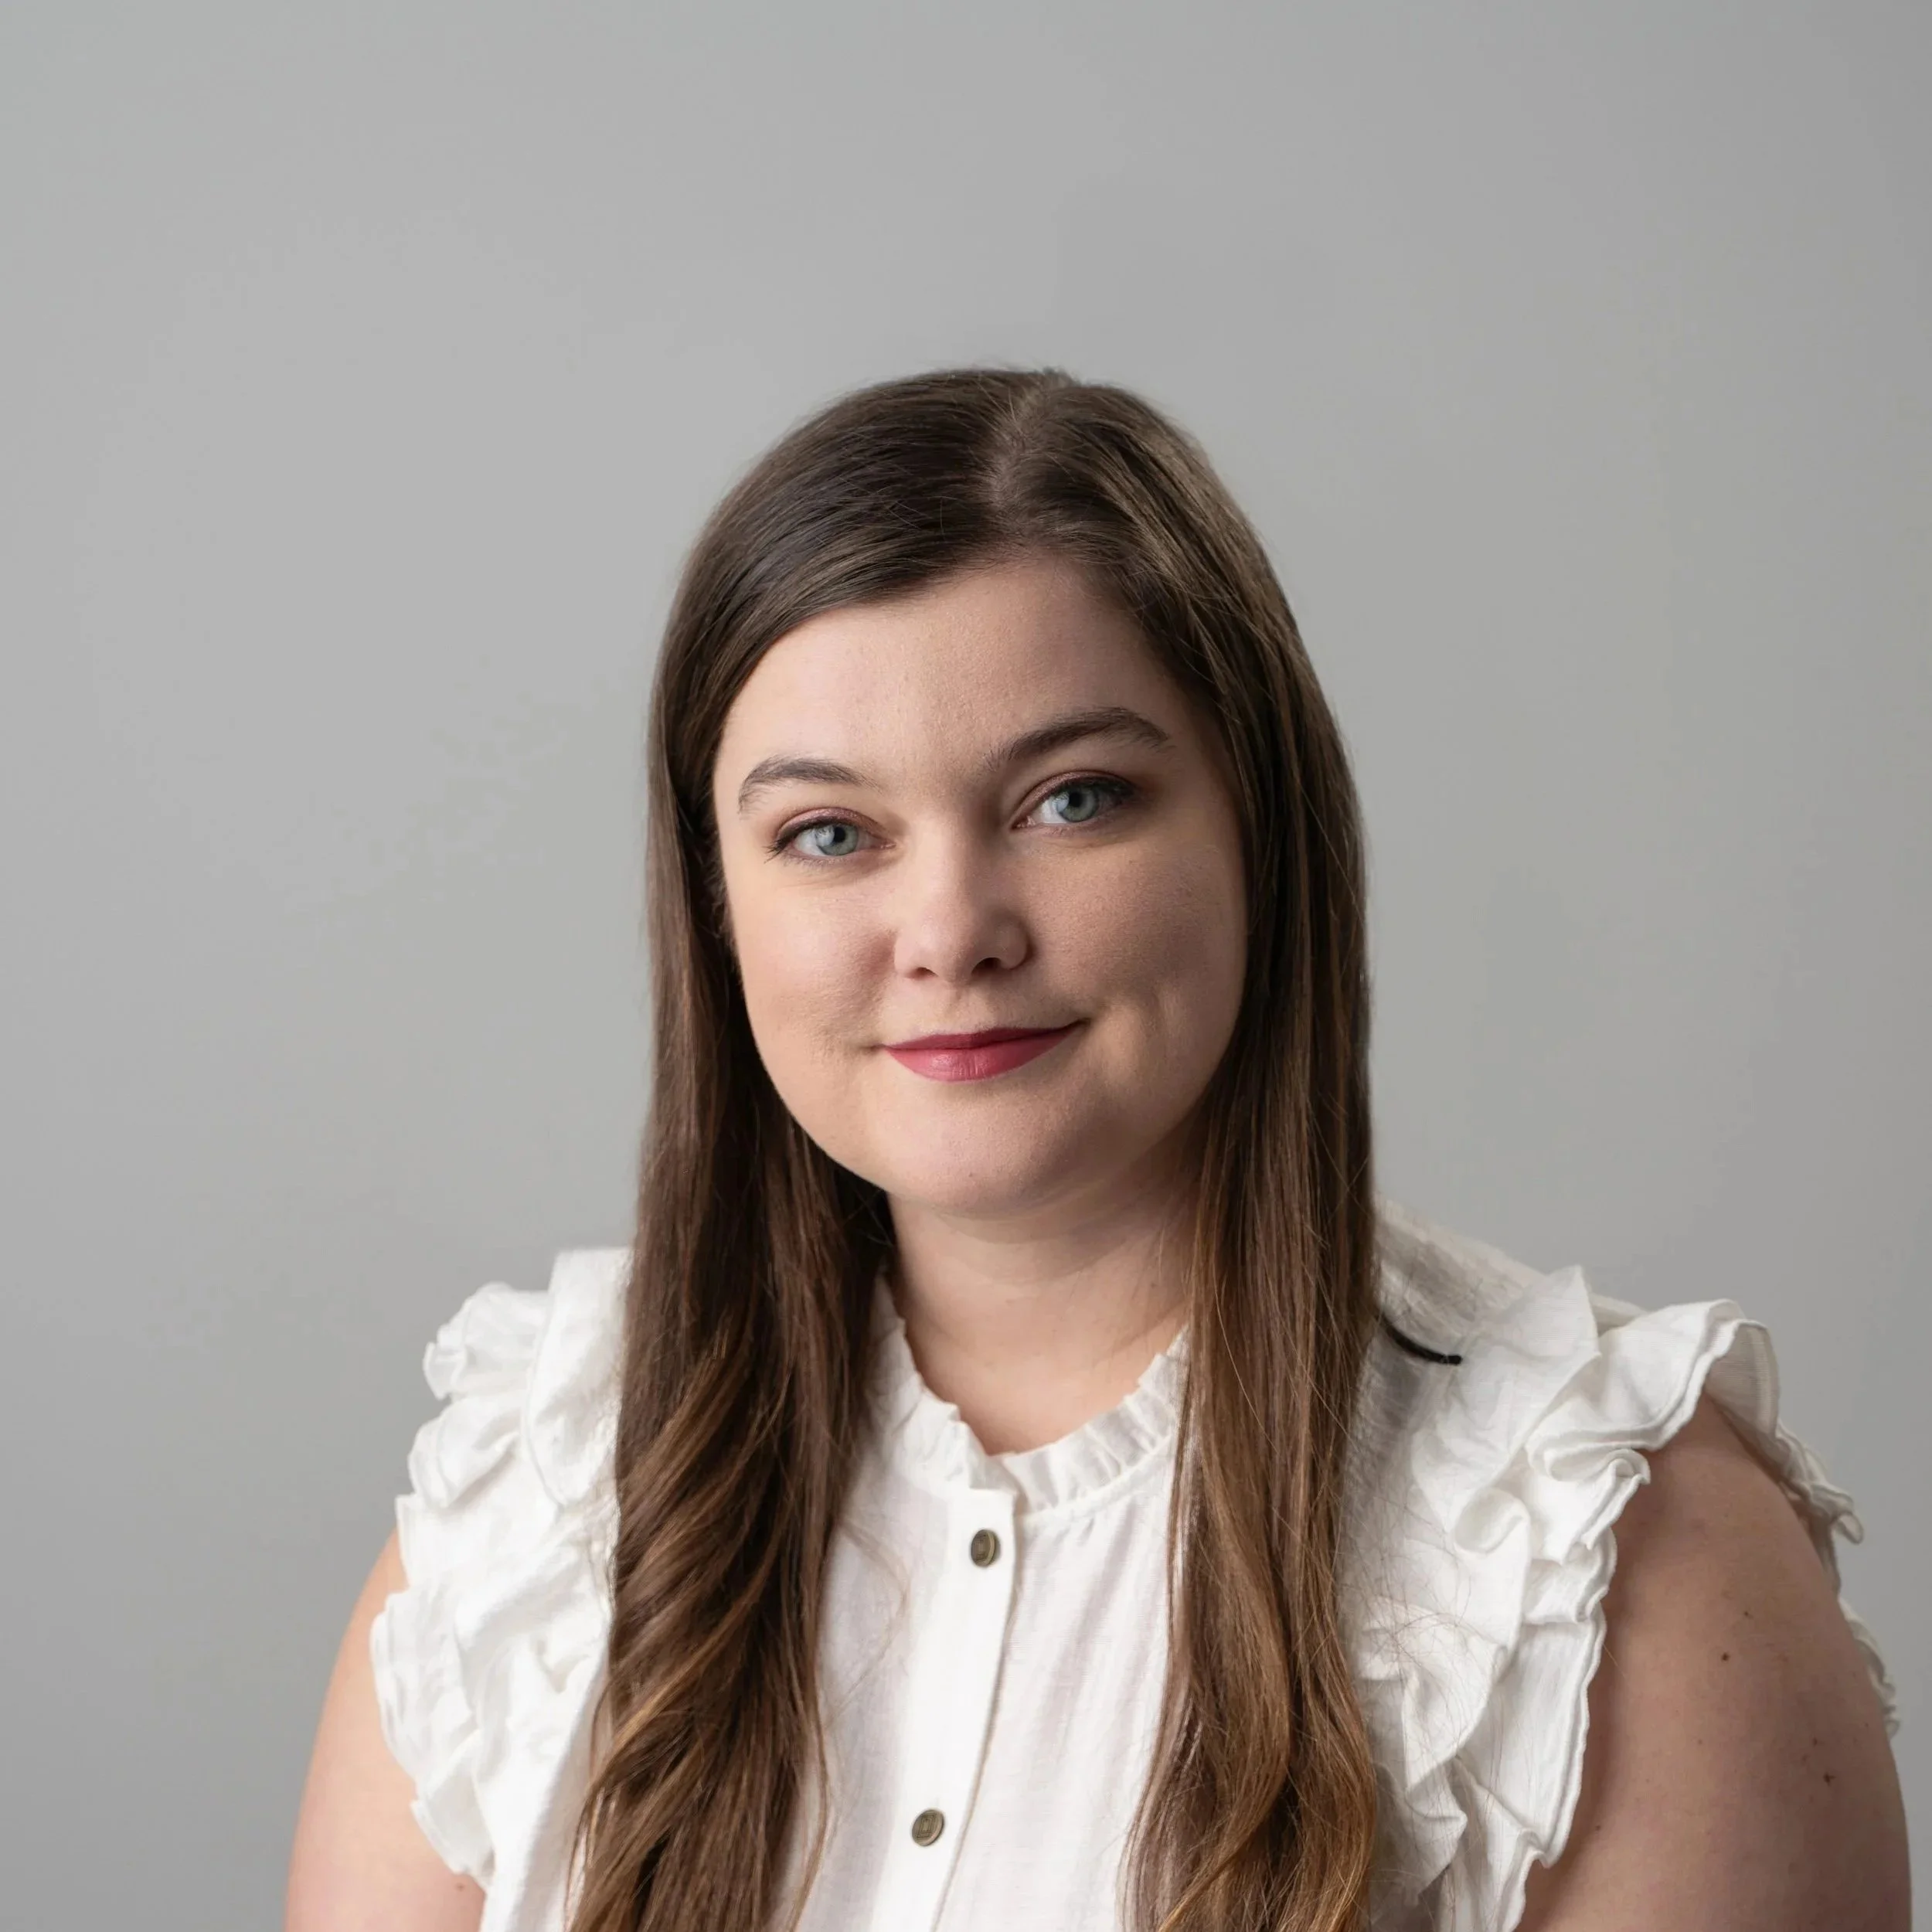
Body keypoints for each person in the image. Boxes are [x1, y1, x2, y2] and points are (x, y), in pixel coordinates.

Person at [284, 369, 1906, 1932]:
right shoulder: (535, 1493)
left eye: (1071, 797)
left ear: (1258, 828)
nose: (948, 931)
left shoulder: (1603, 1551)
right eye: (828, 832)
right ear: (714, 902)